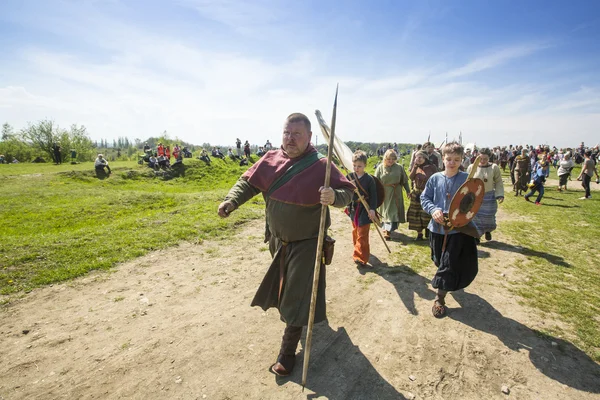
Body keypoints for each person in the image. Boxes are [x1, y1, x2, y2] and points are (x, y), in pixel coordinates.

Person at [217, 113, 354, 377]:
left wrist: (333, 196)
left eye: (296, 134)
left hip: (308, 243)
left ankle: (287, 352)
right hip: (277, 241)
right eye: (286, 133)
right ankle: (297, 320)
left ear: (309, 137)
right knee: (285, 290)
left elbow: (348, 192)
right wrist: (231, 202)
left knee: (297, 294)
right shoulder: (270, 159)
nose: (290, 139)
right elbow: (247, 183)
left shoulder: (322, 165)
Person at [421, 142, 479, 318]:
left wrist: (461, 216)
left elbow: (473, 202)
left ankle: (439, 299)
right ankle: (445, 280)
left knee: (449, 263)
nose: (452, 162)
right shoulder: (435, 178)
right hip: (437, 229)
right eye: (449, 159)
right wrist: (433, 209)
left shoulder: (467, 180)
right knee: (438, 260)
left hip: (457, 230)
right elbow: (425, 198)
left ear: (462, 160)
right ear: (443, 159)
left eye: (456, 159)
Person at [345, 150, 378, 267]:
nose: (356, 168)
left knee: (362, 233)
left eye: (359, 166)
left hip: (365, 208)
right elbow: (344, 192)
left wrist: (372, 209)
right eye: (354, 165)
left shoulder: (369, 179)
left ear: (365, 165)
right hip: (353, 208)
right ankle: (358, 249)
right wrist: (349, 186)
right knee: (355, 231)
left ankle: (360, 257)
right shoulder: (349, 176)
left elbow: (374, 195)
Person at [467, 148, 504, 241]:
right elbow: (467, 181)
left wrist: (500, 194)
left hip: (489, 196)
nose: (483, 161)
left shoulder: (494, 167)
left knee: (488, 216)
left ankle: (487, 231)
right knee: (475, 216)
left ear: (489, 158)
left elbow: (498, 181)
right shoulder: (472, 167)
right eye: (481, 159)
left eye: (485, 159)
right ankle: (476, 236)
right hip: (475, 197)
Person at [374, 149, 410, 240]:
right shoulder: (380, 167)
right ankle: (387, 230)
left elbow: (404, 180)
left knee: (393, 211)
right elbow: (375, 181)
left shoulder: (399, 167)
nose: (391, 161)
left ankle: (389, 229)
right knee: (387, 212)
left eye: (393, 159)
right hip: (385, 193)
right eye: (389, 159)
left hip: (396, 192)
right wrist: (374, 192)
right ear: (385, 158)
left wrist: (408, 191)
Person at [406, 150, 438, 240]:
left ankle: (428, 230)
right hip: (416, 193)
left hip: (427, 193)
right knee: (416, 213)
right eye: (416, 157)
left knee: (426, 213)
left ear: (425, 158)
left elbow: (436, 180)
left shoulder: (432, 167)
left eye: (420, 157)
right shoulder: (416, 167)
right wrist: (415, 167)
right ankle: (419, 234)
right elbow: (411, 177)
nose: (418, 159)